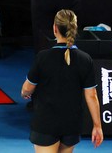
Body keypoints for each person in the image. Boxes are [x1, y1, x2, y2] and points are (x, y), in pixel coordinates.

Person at [21, 9, 104, 151]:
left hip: (46, 124)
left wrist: (25, 93)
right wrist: (97, 126)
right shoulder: (85, 59)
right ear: (74, 29)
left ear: (54, 28)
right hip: (71, 124)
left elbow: (27, 88)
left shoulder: (43, 57)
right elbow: (91, 96)